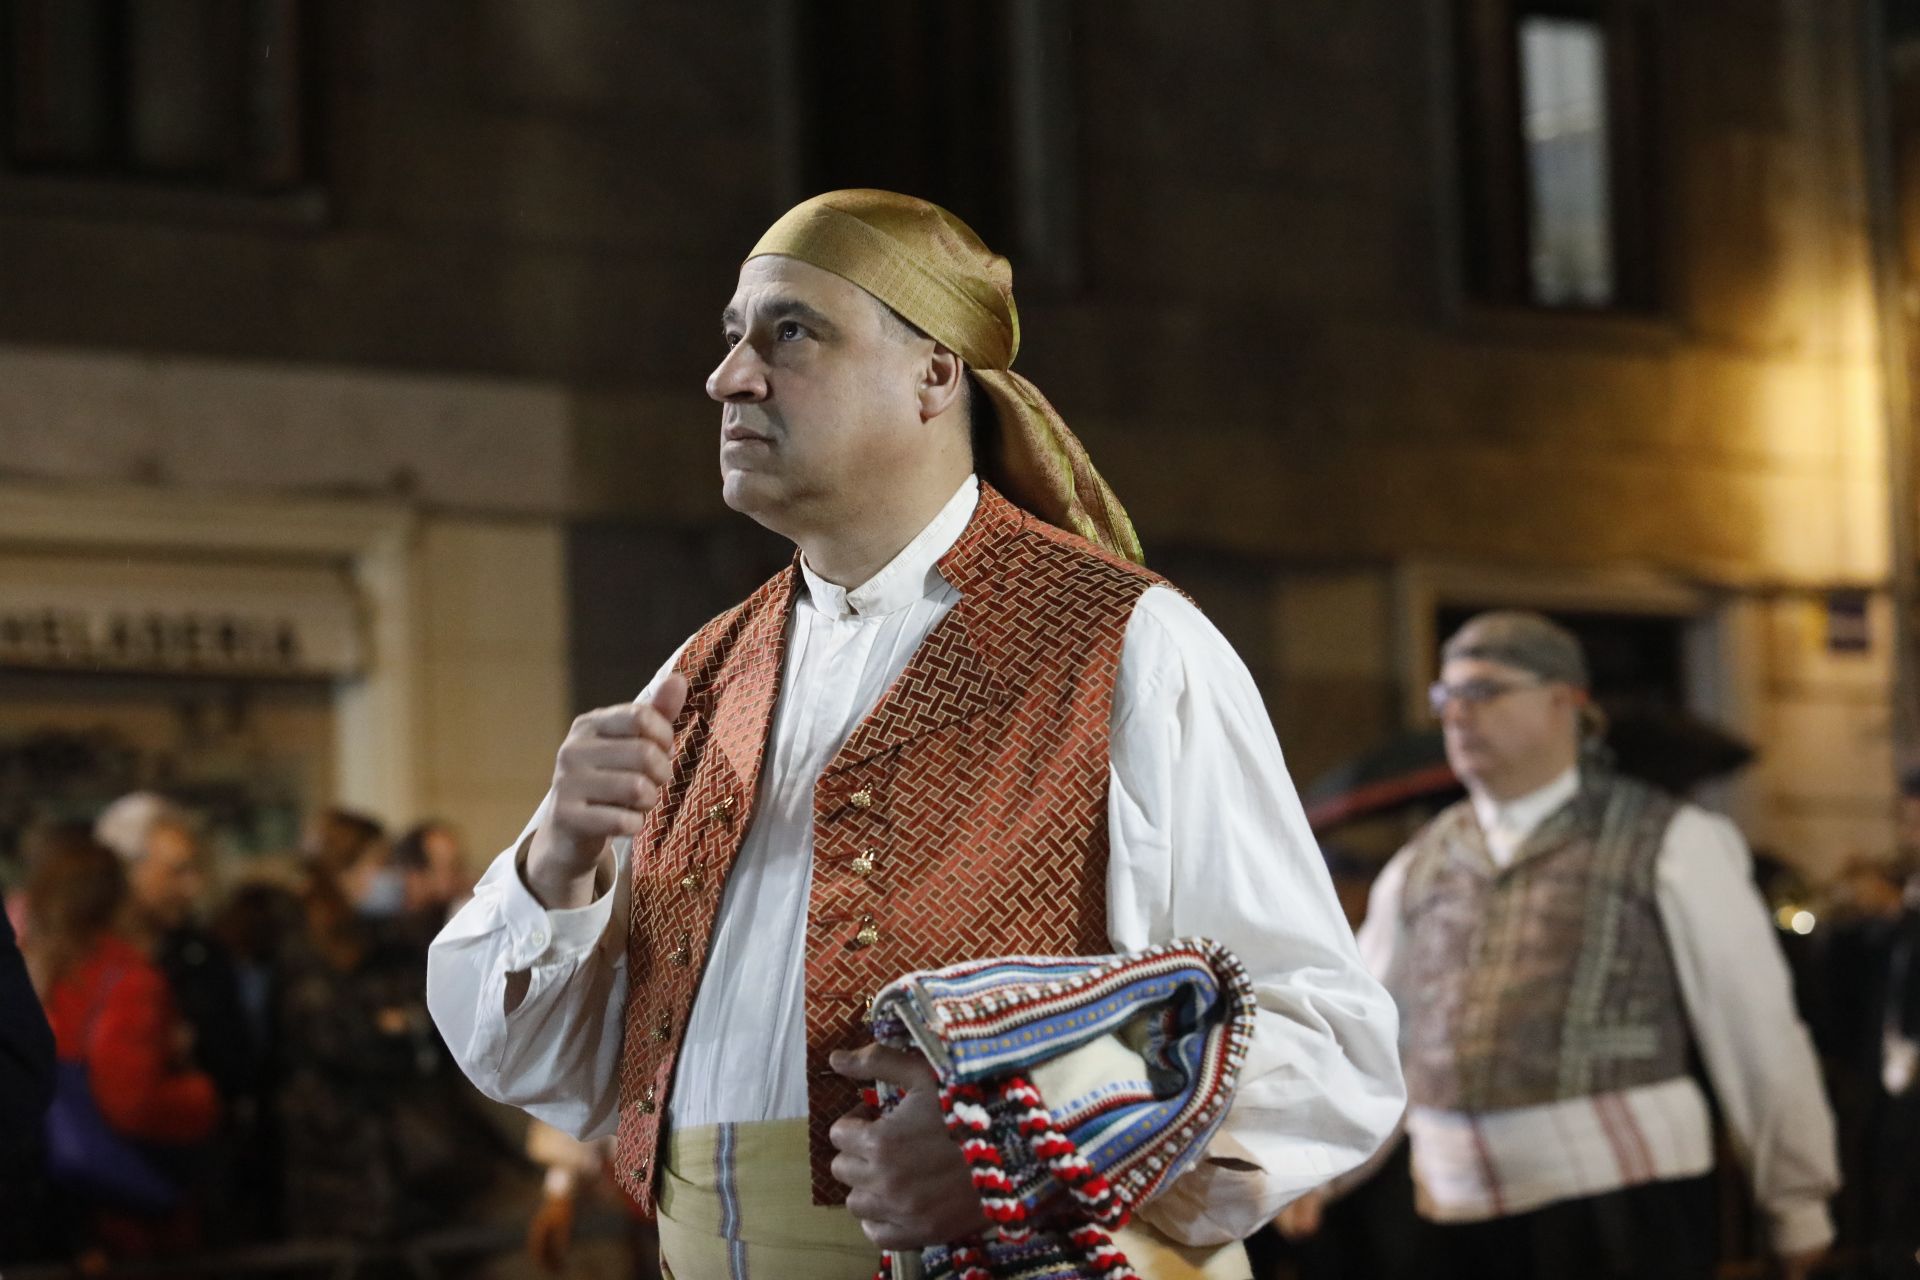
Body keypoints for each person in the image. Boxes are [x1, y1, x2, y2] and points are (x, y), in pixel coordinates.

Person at [429, 189, 1404, 1278]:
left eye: (789, 330)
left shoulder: (1129, 644)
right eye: (732, 335)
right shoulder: (700, 674)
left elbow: (1328, 1039)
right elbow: (556, 1069)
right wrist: (557, 865)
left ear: (936, 374)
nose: (729, 375)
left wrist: (1028, 1141)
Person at [1291, 612, 1838, 1280]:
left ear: (1566, 703)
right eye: (1447, 696)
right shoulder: (1423, 862)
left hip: (1619, 1207)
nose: (1458, 714)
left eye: (1485, 691)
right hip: (1451, 1211)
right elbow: (1374, 1035)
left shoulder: (1668, 838)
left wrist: (1796, 1203)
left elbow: (1753, 1026)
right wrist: (1314, 1169)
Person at [24, 826, 220, 1259]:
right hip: (122, 1206)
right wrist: (202, 1095)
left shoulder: (37, 973)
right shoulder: (125, 980)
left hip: (47, 1204)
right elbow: (132, 1103)